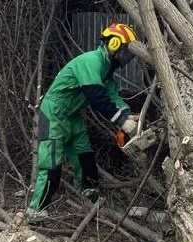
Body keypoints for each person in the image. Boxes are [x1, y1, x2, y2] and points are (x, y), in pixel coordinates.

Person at [26, 22, 140, 222]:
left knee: (85, 158)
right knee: (51, 164)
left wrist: (128, 116)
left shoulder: (106, 69)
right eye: (125, 51)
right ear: (114, 44)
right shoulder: (91, 62)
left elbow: (112, 95)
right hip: (52, 113)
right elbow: (96, 97)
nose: (126, 58)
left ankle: (89, 199)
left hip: (72, 116)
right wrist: (121, 122)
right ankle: (35, 210)